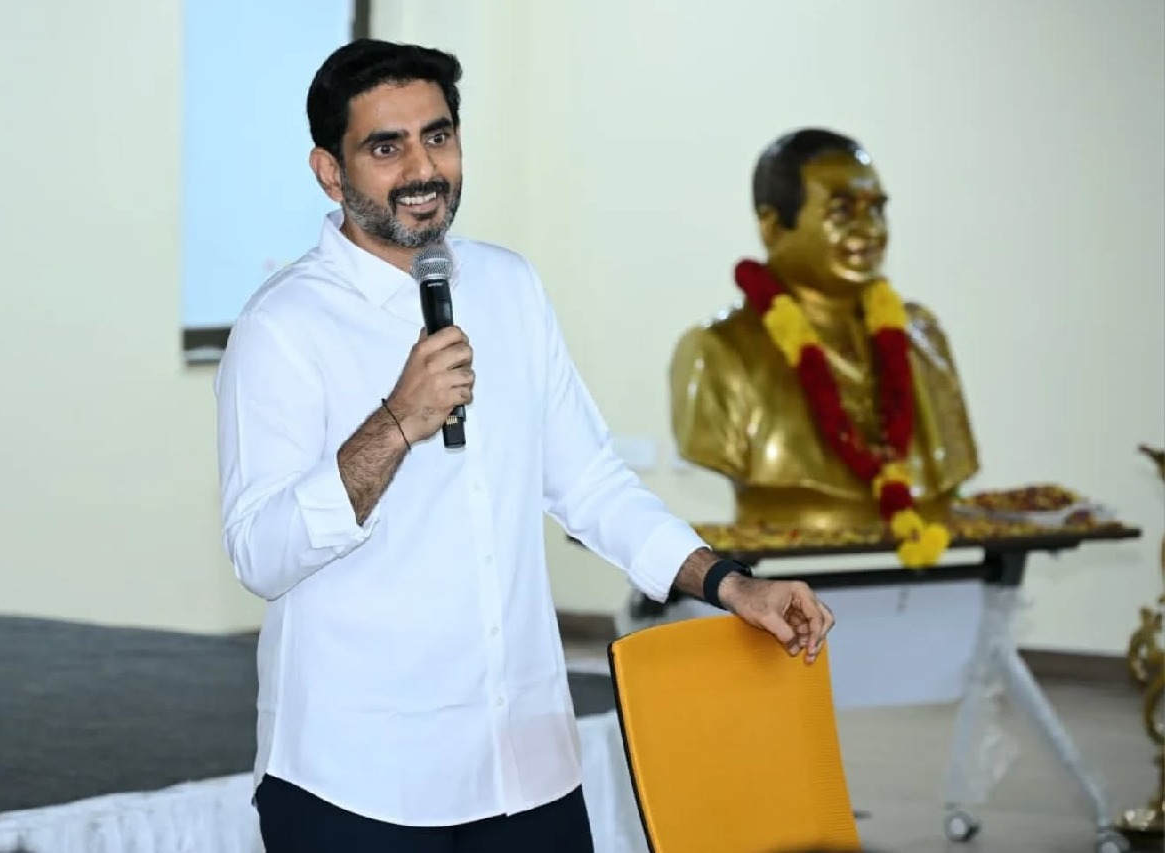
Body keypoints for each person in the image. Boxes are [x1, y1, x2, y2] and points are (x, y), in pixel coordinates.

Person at [214, 38, 836, 853]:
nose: (423, 168)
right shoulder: (282, 326)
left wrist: (729, 584)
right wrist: (397, 421)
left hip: (523, 764)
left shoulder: (508, 286)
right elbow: (260, 553)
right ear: (330, 172)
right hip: (358, 777)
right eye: (386, 147)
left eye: (438, 136)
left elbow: (591, 482)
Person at [669, 129, 979, 538]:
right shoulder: (718, 352)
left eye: (876, 210)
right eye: (842, 212)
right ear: (772, 227)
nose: (870, 230)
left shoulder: (922, 338)